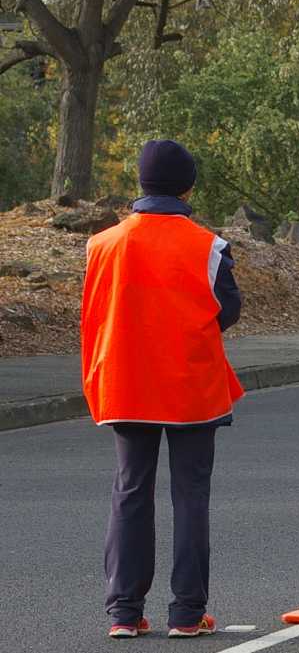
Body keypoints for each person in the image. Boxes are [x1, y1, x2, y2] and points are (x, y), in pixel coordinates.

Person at [81, 140, 243, 639]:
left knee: (130, 490)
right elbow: (228, 310)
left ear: (140, 183)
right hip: (190, 385)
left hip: (126, 382)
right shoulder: (207, 245)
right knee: (190, 494)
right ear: (188, 186)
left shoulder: (102, 244)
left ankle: (124, 614)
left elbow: (94, 310)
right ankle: (187, 614)